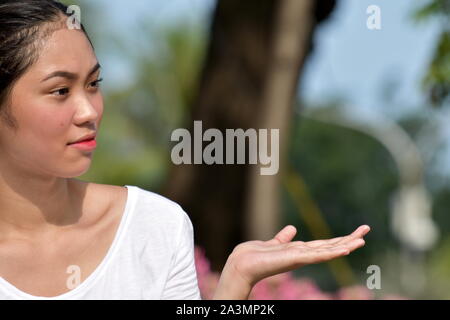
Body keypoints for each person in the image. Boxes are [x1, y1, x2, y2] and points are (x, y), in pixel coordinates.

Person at [0, 0, 370, 300]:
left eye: (94, 84)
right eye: (60, 91)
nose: (89, 111)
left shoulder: (154, 226)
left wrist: (234, 286)